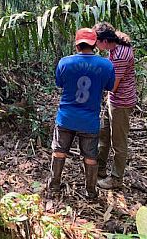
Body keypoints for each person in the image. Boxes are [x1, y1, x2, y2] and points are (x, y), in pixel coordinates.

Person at [48, 28, 115, 199]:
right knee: (90, 156)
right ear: (94, 44)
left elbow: (60, 83)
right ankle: (91, 192)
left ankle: (54, 185)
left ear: (77, 44)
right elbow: (109, 86)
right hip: (90, 120)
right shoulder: (106, 65)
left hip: (66, 117)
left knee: (59, 151)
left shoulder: (65, 62)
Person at [93, 22, 136, 189]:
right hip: (113, 100)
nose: (95, 46)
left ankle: (117, 178)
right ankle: (100, 170)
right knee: (104, 135)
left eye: (96, 42)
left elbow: (112, 86)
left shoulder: (119, 55)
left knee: (118, 142)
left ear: (104, 41)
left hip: (121, 102)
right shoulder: (115, 46)